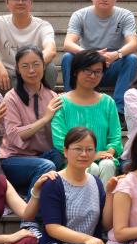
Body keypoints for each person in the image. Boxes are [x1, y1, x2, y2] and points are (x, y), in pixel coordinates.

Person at [61, 0, 137, 113]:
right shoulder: (80, 15)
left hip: (112, 65)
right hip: (86, 65)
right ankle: (71, 105)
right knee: (68, 57)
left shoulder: (125, 15)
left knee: (132, 59)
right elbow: (68, 43)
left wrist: (115, 55)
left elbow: (133, 44)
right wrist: (92, 55)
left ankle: (119, 110)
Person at [0, 46, 64, 200]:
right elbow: (15, 135)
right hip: (13, 159)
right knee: (46, 166)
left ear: (44, 65)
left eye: (36, 64)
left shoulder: (53, 96)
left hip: (42, 156)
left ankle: (25, 190)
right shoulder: (11, 98)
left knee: (60, 156)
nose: (32, 70)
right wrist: (45, 119)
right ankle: (29, 211)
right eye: (25, 66)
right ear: (18, 69)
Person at [52, 50, 123, 182]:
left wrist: (109, 152)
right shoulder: (61, 103)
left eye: (97, 71)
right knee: (91, 167)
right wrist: (89, 155)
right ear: (75, 71)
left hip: (104, 158)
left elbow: (115, 137)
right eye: (87, 71)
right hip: (74, 160)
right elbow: (59, 140)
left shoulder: (108, 102)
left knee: (107, 165)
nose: (93, 76)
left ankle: (106, 196)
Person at [0, 0, 57, 91]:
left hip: (32, 74)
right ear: (7, 2)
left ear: (31, 2)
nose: (20, 2)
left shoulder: (43, 26)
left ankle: (43, 98)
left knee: (50, 68)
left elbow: (51, 50)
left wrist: (30, 66)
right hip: (6, 77)